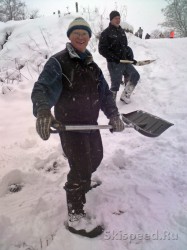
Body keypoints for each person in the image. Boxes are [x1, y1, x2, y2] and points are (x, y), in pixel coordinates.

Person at [31, 17, 125, 237]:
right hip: (70, 127)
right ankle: (75, 214)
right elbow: (41, 89)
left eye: (85, 33)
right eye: (76, 33)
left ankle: (83, 182)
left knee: (96, 158)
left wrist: (113, 115)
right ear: (70, 37)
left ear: (89, 38)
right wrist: (44, 111)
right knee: (81, 167)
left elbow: (104, 95)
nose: (81, 37)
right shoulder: (58, 62)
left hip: (90, 125)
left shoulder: (93, 66)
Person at [98, 10, 140, 104]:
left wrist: (130, 57)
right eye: (116, 18)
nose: (118, 20)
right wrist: (113, 57)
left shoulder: (121, 31)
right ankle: (110, 102)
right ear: (111, 19)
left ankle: (125, 95)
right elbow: (102, 49)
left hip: (124, 61)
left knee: (135, 75)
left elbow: (125, 47)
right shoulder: (106, 33)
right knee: (115, 84)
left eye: (119, 18)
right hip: (114, 63)